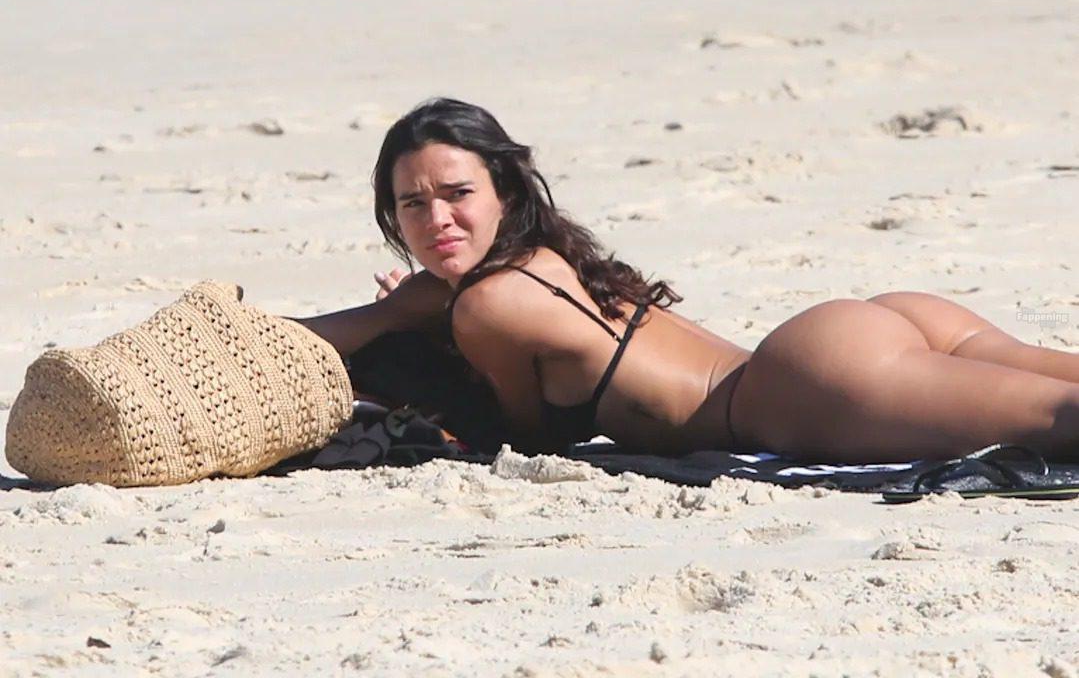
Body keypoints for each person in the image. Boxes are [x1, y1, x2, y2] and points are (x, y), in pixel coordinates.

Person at [298, 97, 1079, 463]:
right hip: (862, 333)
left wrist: (416, 322)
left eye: (456, 194)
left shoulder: (486, 303)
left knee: (1062, 421)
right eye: (412, 204)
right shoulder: (544, 254)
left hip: (798, 389)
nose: (436, 218)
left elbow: (525, 438)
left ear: (502, 190)